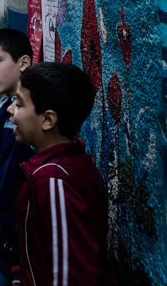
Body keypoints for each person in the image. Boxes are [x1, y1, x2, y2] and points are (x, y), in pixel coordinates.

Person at [7, 62, 114, 285]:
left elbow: (67, 273)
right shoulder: (66, 163)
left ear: (47, 120)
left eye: (19, 103)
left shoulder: (52, 181)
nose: (10, 109)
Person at [0, 28, 33, 286]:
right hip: (5, 233)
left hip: (24, 237)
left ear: (23, 63)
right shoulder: (3, 109)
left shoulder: (33, 119)